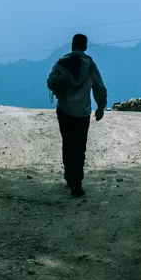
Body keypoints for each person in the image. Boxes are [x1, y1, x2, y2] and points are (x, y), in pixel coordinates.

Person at [47, 33, 107, 198]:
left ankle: (69, 175)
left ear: (72, 45)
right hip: (82, 112)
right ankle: (77, 183)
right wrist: (101, 106)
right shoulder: (89, 64)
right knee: (80, 146)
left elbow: (50, 81)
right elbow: (99, 87)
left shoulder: (61, 62)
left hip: (64, 110)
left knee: (67, 143)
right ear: (85, 46)